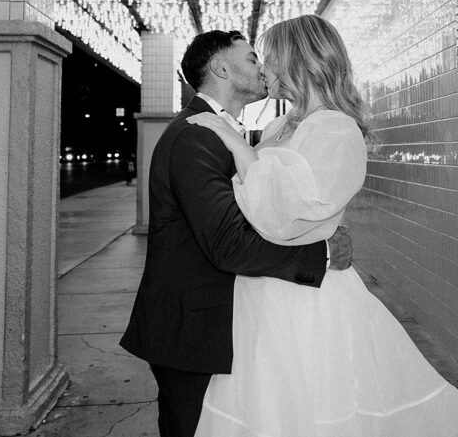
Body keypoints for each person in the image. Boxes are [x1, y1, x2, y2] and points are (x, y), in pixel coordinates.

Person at [185, 15, 458, 437]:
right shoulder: (278, 126)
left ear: (297, 60)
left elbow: (284, 216)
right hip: (262, 293)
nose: (264, 68)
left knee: (315, 411)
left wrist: (235, 145)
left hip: (306, 302)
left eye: (270, 58)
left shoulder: (335, 128)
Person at [120, 29, 353, 437]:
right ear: (221, 68)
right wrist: (322, 255)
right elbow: (229, 244)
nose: (263, 68)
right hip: (193, 331)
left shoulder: (229, 132)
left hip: (229, 322)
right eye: (251, 59)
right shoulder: (197, 135)